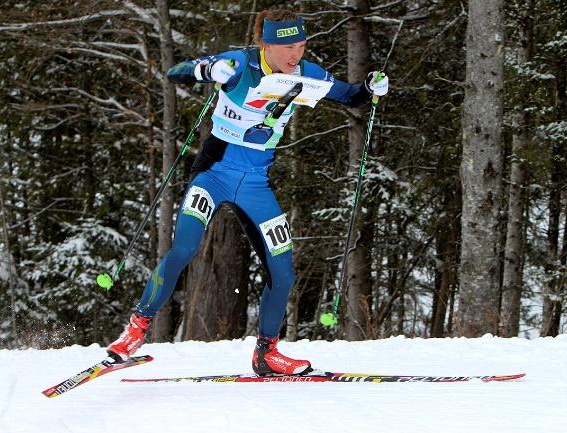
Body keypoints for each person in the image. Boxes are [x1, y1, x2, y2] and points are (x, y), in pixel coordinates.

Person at [107, 8, 389, 376]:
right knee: (184, 249)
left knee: (283, 271)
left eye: (301, 45)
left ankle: (267, 353)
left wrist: (371, 87)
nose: (295, 55)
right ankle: (135, 330)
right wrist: (208, 71)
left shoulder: (307, 74)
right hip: (214, 173)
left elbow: (351, 96)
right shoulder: (239, 63)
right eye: (287, 46)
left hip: (256, 183)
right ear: (266, 44)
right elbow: (176, 71)